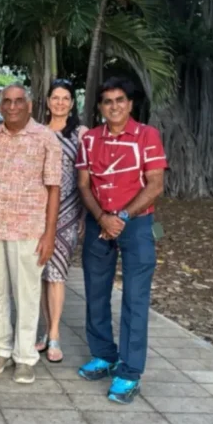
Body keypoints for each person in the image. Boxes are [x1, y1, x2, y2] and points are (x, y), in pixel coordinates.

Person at [76, 77, 167, 404]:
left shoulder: (147, 136)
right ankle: (103, 353)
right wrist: (102, 217)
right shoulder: (89, 140)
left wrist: (122, 218)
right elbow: (84, 184)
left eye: (119, 100)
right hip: (100, 221)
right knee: (96, 291)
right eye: (107, 101)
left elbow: (155, 184)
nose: (113, 106)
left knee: (135, 298)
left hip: (137, 224)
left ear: (129, 104)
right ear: (100, 107)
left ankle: (129, 372)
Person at [0, 84, 61, 383]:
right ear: (0, 107)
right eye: (7, 102)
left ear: (29, 105)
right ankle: (0, 349)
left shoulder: (45, 139)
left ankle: (25, 356)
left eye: (18, 101)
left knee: (26, 295)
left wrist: (49, 234)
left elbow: (54, 188)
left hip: (29, 229)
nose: (12, 107)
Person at [36, 79, 88, 363]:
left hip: (69, 212)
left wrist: (83, 214)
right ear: (47, 101)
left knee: (57, 274)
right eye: (55, 98)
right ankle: (45, 331)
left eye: (65, 98)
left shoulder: (81, 134)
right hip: (40, 211)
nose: (59, 103)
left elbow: (86, 177)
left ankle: (55, 334)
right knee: (43, 274)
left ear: (71, 102)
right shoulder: (39, 132)